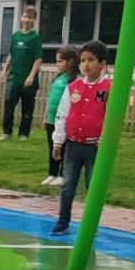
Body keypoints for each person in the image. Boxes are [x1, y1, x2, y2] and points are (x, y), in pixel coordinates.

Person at [49, 40, 111, 237]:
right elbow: (63, 113)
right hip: (74, 145)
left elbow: (112, 115)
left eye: (91, 60)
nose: (86, 65)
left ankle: (90, 225)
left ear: (102, 64)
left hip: (95, 147)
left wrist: (106, 138)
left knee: (93, 187)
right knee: (68, 185)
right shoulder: (73, 87)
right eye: (83, 60)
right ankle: (62, 221)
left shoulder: (109, 88)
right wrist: (58, 140)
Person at [0, 3, 43, 140]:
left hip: (28, 80)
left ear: (34, 20)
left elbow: (38, 59)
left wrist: (31, 76)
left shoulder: (35, 38)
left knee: (27, 109)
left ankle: (23, 134)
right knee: (9, 105)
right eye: (25, 16)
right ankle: (7, 132)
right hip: (14, 78)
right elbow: (11, 54)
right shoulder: (16, 36)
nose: (27, 20)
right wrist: (4, 70)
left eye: (30, 17)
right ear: (20, 18)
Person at [42, 46, 80, 185]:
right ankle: (52, 173)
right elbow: (51, 97)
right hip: (52, 119)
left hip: (64, 120)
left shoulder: (74, 79)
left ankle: (63, 174)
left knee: (63, 148)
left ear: (70, 61)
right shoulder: (58, 78)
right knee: (52, 146)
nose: (57, 64)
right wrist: (45, 117)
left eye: (60, 61)